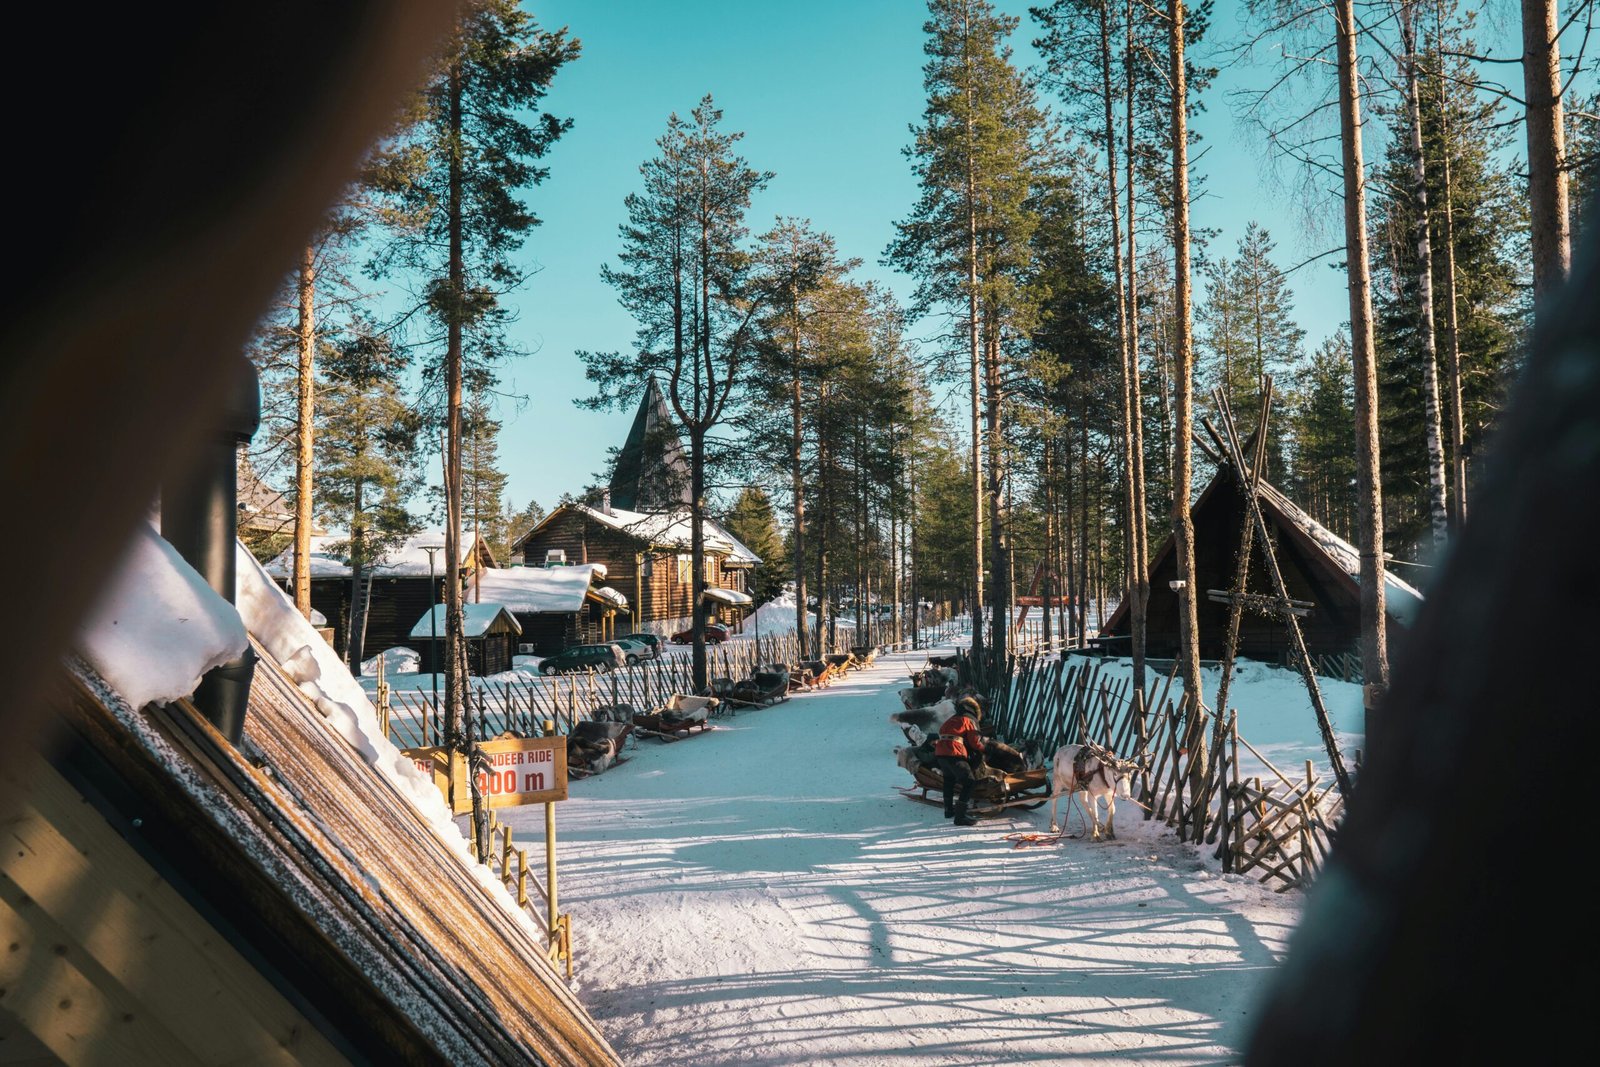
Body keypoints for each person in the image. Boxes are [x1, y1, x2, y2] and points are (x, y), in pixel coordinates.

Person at [933, 696, 986, 826]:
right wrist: (985, 749)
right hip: (954, 753)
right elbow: (975, 742)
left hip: (940, 754)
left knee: (949, 780)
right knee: (969, 782)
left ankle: (948, 810)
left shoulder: (950, 720)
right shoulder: (969, 720)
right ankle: (960, 817)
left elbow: (941, 733)